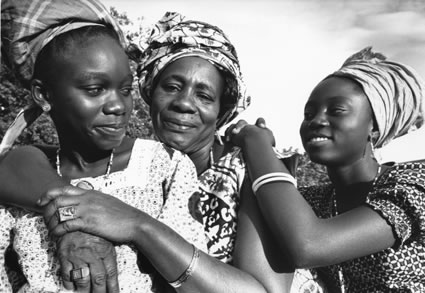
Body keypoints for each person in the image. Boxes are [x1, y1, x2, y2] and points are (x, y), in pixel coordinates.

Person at [0, 9, 294, 293]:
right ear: (150, 92)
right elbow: (17, 163)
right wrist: (73, 220)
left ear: (222, 109)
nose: (184, 104)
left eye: (204, 95)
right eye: (172, 87)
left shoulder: (222, 171)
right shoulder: (36, 169)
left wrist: (135, 223)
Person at [0, 1, 207, 292]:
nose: (117, 106)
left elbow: (198, 279)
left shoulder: (164, 168)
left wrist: (135, 224)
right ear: (43, 94)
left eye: (125, 90)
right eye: (95, 89)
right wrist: (72, 219)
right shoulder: (24, 180)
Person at [227, 47, 425, 292]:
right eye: (309, 113)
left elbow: (310, 245)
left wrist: (257, 144)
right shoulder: (312, 202)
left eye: (336, 110)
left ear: (373, 127)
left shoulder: (414, 185)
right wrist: (253, 166)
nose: (316, 121)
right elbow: (266, 285)